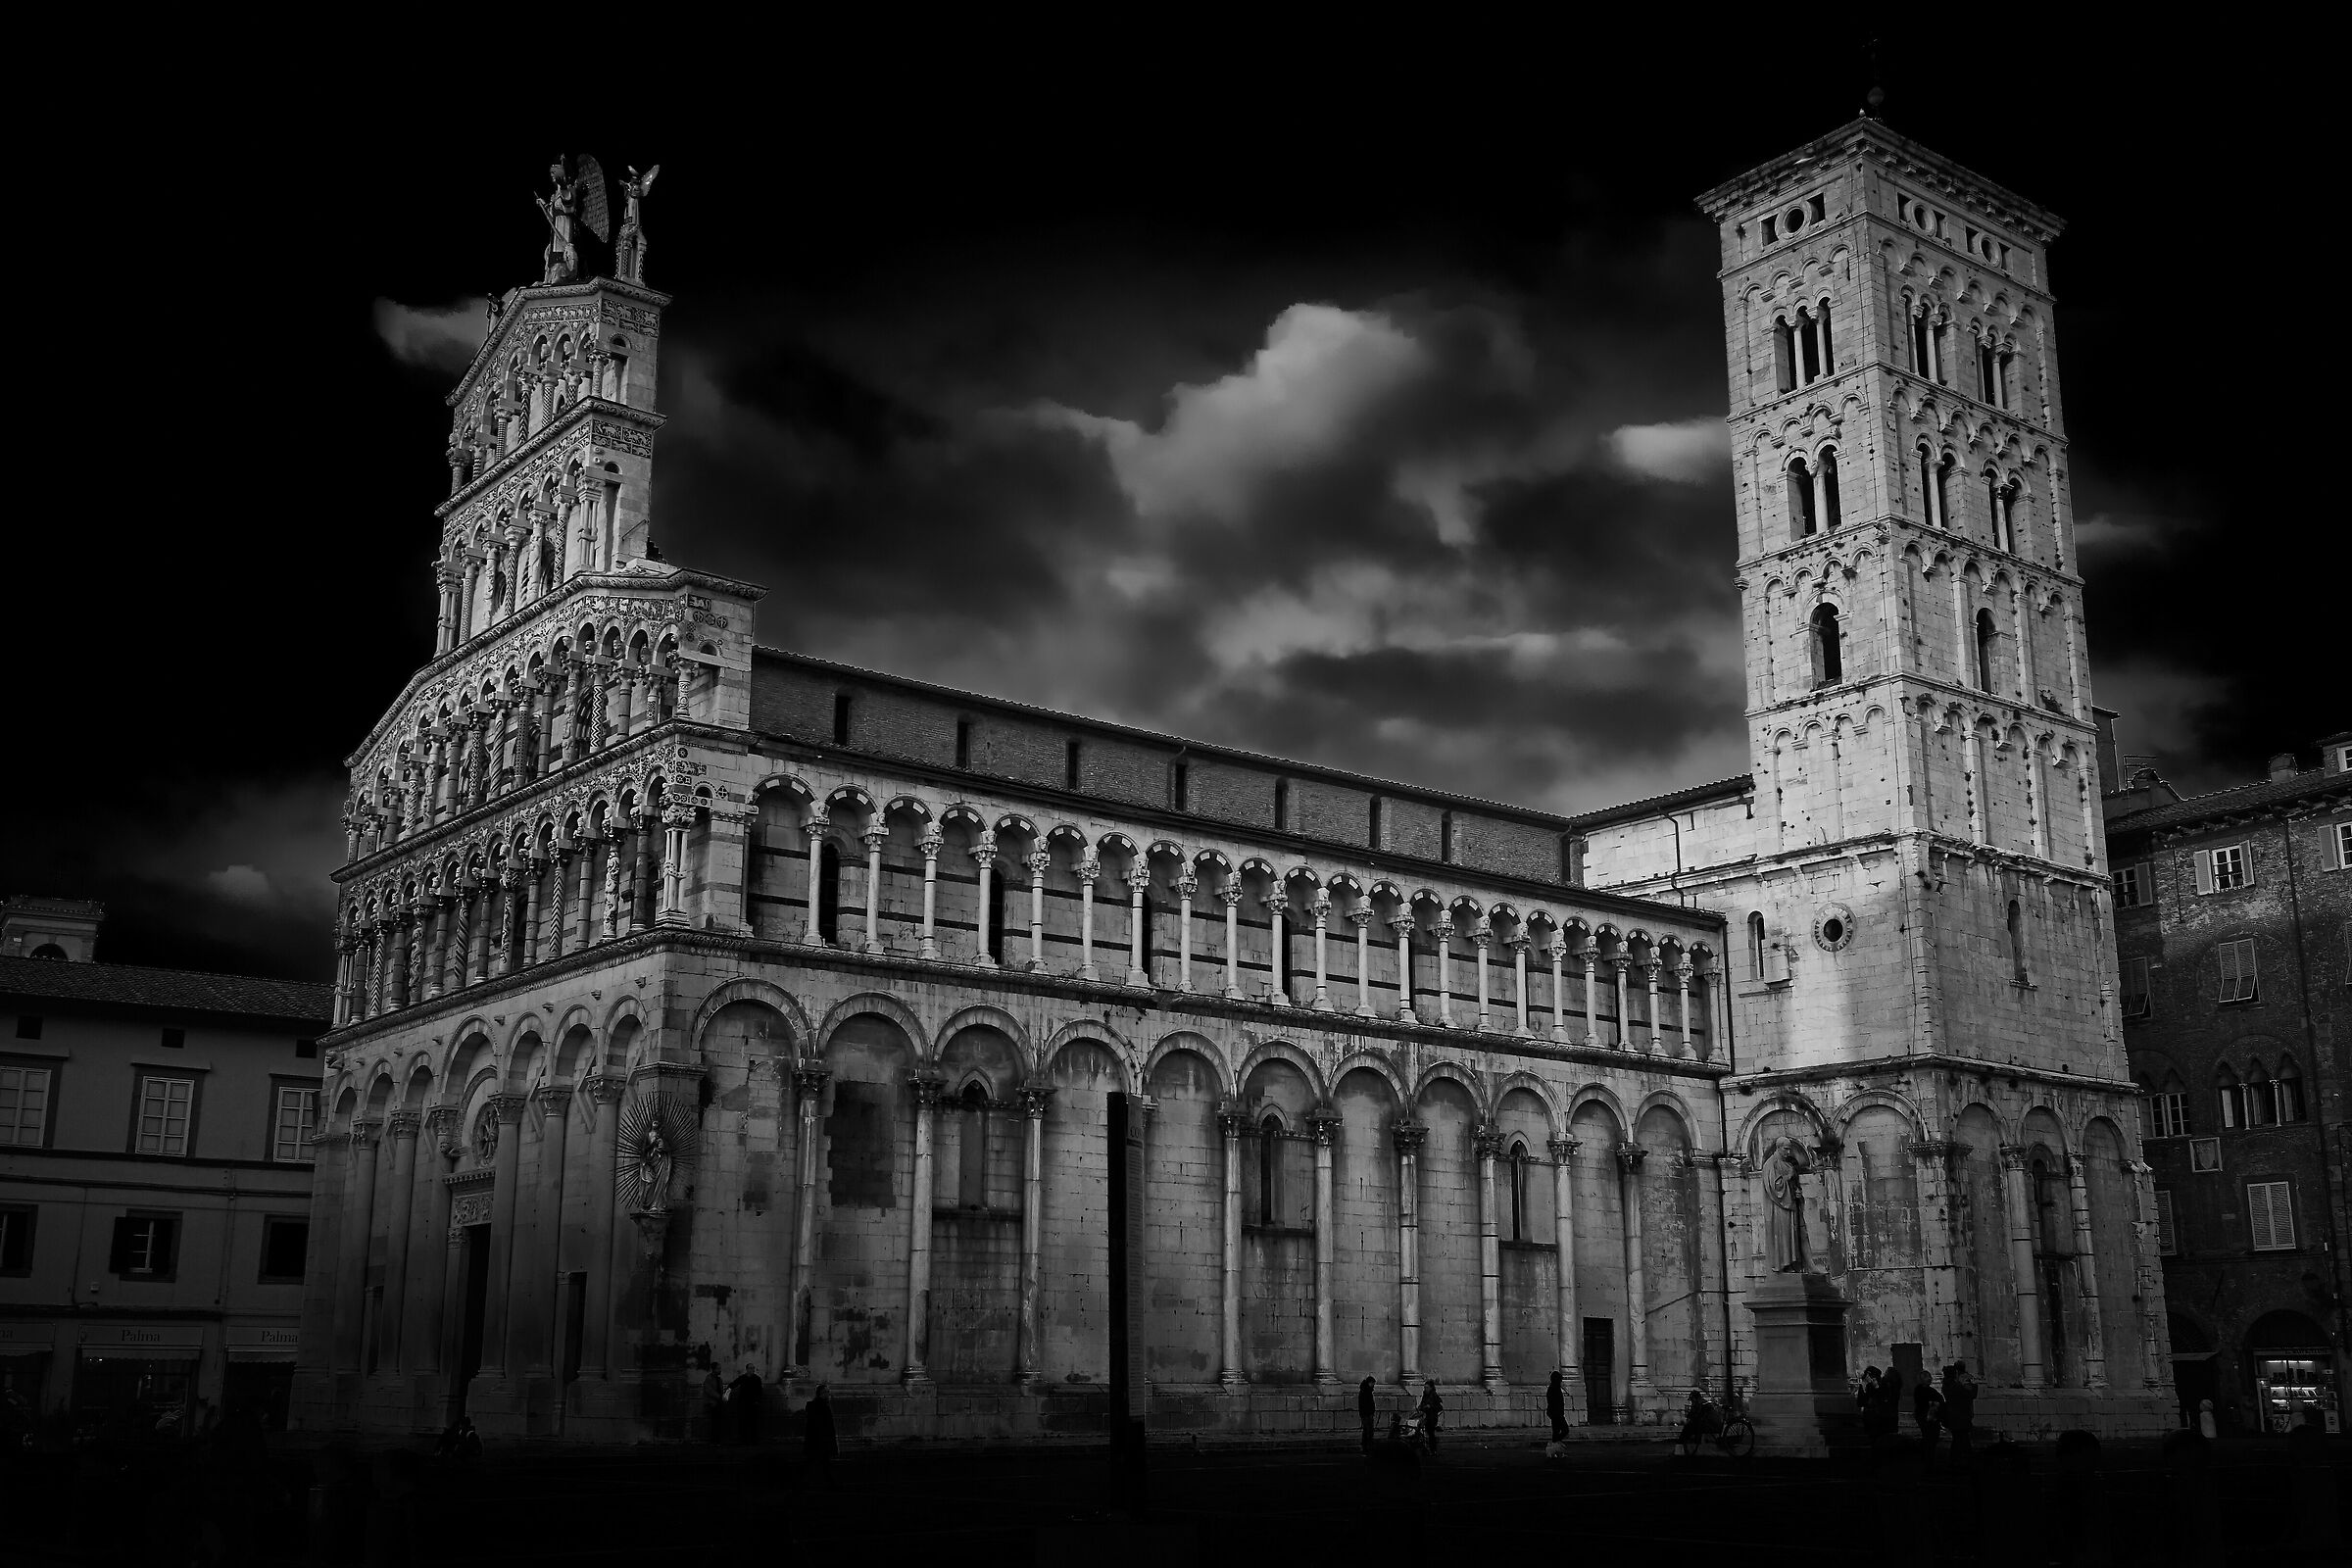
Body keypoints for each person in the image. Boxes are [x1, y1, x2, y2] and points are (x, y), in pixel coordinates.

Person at [1941, 1362, 1978, 1471]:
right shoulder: (1955, 1387)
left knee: (1959, 1439)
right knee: (1961, 1439)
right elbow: (1970, 1394)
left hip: (1954, 1417)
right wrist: (1972, 1384)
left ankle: (1958, 1460)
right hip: (1960, 1417)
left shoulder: (1947, 1386)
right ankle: (1960, 1461)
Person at [1674, 1389, 1722, 1457]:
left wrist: (1688, 1419)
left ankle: (1679, 1448)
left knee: (1688, 1428)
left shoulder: (1700, 1404)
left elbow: (1695, 1415)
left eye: (1691, 1400)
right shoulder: (1703, 1402)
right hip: (1713, 1425)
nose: (1691, 1402)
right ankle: (1685, 1448)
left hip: (1711, 1426)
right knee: (1691, 1427)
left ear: (1694, 1398)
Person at [803, 1385, 837, 1474]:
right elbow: (826, 1427)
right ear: (822, 1393)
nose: (829, 1394)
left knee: (814, 1463)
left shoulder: (813, 1406)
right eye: (827, 1392)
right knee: (824, 1465)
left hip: (816, 1441)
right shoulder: (823, 1407)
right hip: (821, 1441)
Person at [1913, 1368, 1945, 1461]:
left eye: (1929, 1377)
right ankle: (1927, 1458)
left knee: (1932, 1439)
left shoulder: (1930, 1390)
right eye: (1927, 1377)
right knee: (1929, 1438)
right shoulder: (1919, 1390)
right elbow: (1921, 1403)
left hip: (1932, 1417)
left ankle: (1929, 1457)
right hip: (1925, 1417)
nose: (1929, 1379)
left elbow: (1940, 1399)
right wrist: (1934, 1404)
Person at [727, 1365, 764, 1446]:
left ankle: (753, 1439)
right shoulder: (742, 1378)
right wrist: (728, 1390)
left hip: (753, 1403)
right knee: (743, 1422)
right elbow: (734, 1384)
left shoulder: (757, 1378)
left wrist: (758, 1400)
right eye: (750, 1368)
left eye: (753, 1368)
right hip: (743, 1404)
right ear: (747, 1369)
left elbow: (759, 1391)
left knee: (753, 1422)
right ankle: (744, 1440)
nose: (752, 1370)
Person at [1417, 1381, 1444, 1453]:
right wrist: (1421, 1407)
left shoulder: (1434, 1395)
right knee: (1426, 1432)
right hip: (1426, 1416)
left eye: (1427, 1387)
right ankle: (1428, 1448)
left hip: (1432, 1417)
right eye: (1425, 1387)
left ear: (1431, 1388)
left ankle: (1433, 1449)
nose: (1425, 1389)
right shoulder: (1425, 1394)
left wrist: (1430, 1406)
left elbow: (1439, 1407)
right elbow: (1423, 1403)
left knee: (1431, 1433)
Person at [1546, 1370, 1569, 1443]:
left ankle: (1555, 1446)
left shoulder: (1554, 1388)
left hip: (1556, 1413)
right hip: (1556, 1414)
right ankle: (1555, 1444)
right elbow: (1554, 1402)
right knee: (1564, 1430)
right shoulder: (1553, 1388)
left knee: (1556, 1431)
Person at [1357, 1376, 1377, 1451]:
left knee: (1367, 1430)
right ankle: (1367, 1446)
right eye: (1373, 1383)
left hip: (1367, 1413)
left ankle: (1366, 1445)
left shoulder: (1366, 1391)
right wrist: (1370, 1412)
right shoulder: (1365, 1391)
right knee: (1368, 1430)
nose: (1373, 1385)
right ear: (1370, 1383)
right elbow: (1366, 1404)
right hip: (1367, 1414)